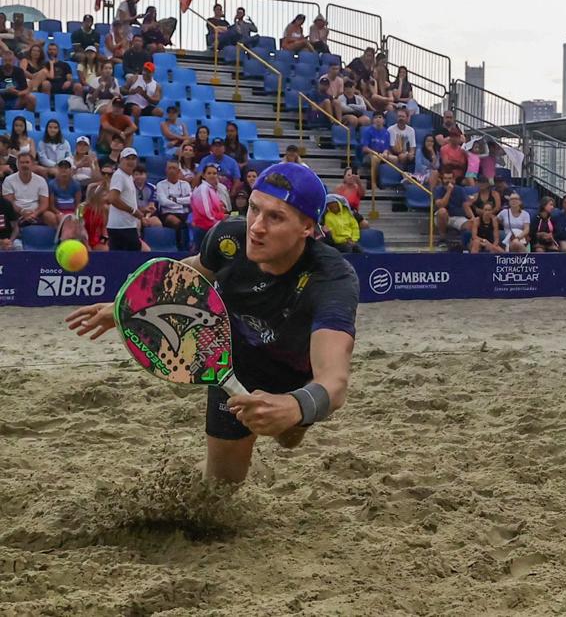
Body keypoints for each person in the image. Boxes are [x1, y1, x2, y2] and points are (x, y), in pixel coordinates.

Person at [68, 163, 359, 484]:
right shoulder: (228, 239)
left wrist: (294, 406)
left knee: (288, 439)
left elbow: (334, 383)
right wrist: (125, 306)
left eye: (275, 217)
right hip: (229, 362)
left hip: (293, 375)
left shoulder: (332, 278)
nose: (256, 227)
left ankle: (290, 424)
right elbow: (186, 274)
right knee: (221, 486)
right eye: (254, 209)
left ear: (307, 227)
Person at [105, 147, 145, 251]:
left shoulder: (128, 176)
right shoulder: (119, 176)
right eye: (128, 158)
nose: (131, 161)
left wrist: (140, 211)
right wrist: (133, 211)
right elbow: (113, 198)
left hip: (126, 225)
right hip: (120, 226)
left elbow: (126, 199)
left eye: (133, 158)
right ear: (121, 160)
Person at [3, 152, 55, 228]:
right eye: (22, 162)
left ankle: (56, 239)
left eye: (27, 162)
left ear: (32, 164)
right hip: (15, 213)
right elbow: (9, 202)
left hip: (36, 212)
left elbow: (44, 203)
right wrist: (22, 211)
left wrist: (35, 213)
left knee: (50, 216)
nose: (24, 165)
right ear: (18, 165)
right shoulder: (8, 180)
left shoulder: (41, 180)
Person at [156, 160, 193, 250]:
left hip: (184, 213)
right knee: (176, 222)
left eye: (174, 168)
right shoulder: (160, 184)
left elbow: (191, 200)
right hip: (168, 213)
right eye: (169, 168)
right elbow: (163, 202)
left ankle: (193, 247)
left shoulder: (185, 184)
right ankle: (181, 248)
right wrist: (181, 204)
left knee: (194, 222)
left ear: (178, 171)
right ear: (166, 170)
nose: (171, 170)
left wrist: (175, 200)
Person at [190, 162, 227, 247]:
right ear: (203, 175)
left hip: (210, 228)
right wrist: (218, 222)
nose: (212, 175)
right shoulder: (203, 188)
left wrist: (221, 215)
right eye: (209, 173)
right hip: (204, 228)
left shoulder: (212, 189)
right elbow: (206, 212)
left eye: (214, 173)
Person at [50, 159, 86, 242]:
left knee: (78, 222)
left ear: (70, 170)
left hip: (72, 211)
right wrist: (59, 213)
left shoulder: (76, 184)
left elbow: (78, 204)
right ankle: (64, 239)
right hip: (59, 211)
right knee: (64, 220)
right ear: (58, 170)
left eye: (66, 168)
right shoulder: (52, 184)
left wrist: (75, 215)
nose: (64, 170)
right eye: (61, 168)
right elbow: (51, 206)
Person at [433, 170, 473, 242]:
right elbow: (441, 205)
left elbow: (466, 206)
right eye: (445, 178)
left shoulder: (460, 190)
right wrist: (449, 191)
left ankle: (463, 244)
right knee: (442, 211)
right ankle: (443, 237)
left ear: (454, 179)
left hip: (457, 216)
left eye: (450, 178)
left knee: (470, 224)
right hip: (442, 217)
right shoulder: (438, 189)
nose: (447, 181)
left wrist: (473, 218)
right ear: (442, 180)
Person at [82, 161, 113, 251]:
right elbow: (88, 202)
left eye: (109, 174)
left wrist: (104, 239)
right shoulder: (92, 187)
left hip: (102, 225)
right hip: (89, 220)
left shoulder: (115, 190)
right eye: (103, 174)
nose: (106, 176)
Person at [1, 48, 37, 114]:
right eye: (5, 61)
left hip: (16, 100)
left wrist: (18, 93)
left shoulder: (19, 71)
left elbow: (26, 90)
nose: (8, 63)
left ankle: (28, 119)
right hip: (2, 99)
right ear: (2, 61)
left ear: (14, 61)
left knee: (31, 98)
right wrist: (5, 90)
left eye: (10, 60)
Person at [360, 112, 392, 185]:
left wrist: (384, 153)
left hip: (381, 155)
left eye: (380, 117)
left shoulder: (387, 133)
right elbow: (365, 148)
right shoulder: (367, 131)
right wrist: (375, 153)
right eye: (375, 117)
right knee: (375, 158)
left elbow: (386, 148)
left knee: (395, 159)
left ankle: (390, 183)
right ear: (372, 120)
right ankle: (374, 182)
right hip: (369, 155)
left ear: (384, 120)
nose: (378, 119)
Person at [132, 163, 162, 228]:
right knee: (137, 223)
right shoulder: (129, 188)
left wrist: (146, 218)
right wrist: (141, 216)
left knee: (157, 223)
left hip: (148, 214)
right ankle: (138, 238)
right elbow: (131, 207)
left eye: (141, 174)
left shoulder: (152, 188)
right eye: (136, 174)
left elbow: (151, 207)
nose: (139, 177)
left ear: (146, 175)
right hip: (134, 214)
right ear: (132, 176)